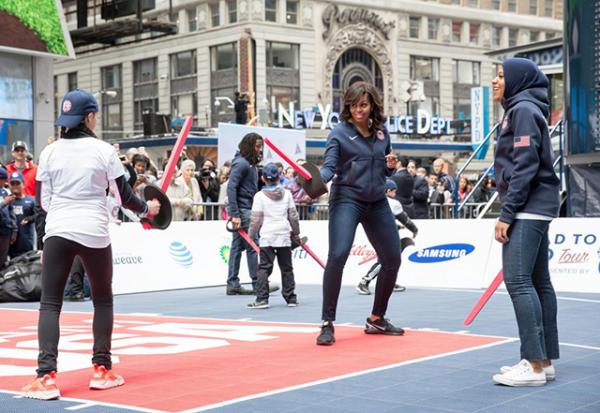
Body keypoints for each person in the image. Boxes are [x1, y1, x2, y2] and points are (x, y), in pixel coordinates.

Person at [21, 89, 161, 400]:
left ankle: (46, 377)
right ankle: (102, 370)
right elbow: (124, 196)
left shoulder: (49, 152)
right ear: (90, 117)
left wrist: (48, 236)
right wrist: (146, 210)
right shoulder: (103, 151)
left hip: (58, 230)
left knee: (50, 304)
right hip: (94, 232)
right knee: (102, 300)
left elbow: (43, 201)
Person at [490, 58, 560, 387]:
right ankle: (543, 361)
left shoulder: (523, 111)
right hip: (536, 205)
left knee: (518, 282)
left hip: (527, 207)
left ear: (517, 79)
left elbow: (525, 165)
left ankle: (532, 365)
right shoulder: (525, 109)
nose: (495, 80)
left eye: (501, 75)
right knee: (538, 282)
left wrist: (506, 213)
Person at [316, 81, 403, 346]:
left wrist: (390, 166)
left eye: (363, 105)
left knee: (393, 258)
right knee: (338, 254)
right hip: (347, 199)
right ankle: (326, 323)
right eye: (352, 105)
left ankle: (377, 318)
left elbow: (384, 167)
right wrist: (314, 180)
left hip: (376, 201)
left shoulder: (381, 133)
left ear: (373, 105)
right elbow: (329, 168)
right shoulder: (338, 134)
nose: (358, 110)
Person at [247, 163, 301, 309]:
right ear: (279, 177)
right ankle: (291, 298)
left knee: (264, 268)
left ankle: (262, 299)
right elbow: (293, 216)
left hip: (267, 236)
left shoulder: (259, 196)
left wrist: (250, 236)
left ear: (263, 179)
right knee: (287, 268)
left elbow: (256, 219)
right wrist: (296, 233)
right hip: (283, 235)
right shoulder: (288, 194)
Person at [356, 179, 417, 295]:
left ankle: (389, 282)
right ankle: (364, 281)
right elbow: (405, 219)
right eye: (394, 191)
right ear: (388, 191)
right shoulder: (394, 203)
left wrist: (397, 227)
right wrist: (414, 229)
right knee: (386, 260)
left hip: (377, 233)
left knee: (391, 260)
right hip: (385, 235)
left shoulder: (372, 201)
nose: (395, 194)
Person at [226, 133, 263, 295]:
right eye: (257, 146)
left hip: (245, 209)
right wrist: (235, 214)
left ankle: (233, 283)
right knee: (252, 246)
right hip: (243, 210)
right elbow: (231, 187)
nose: (260, 150)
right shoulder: (242, 164)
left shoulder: (248, 164)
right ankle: (257, 284)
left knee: (237, 247)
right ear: (249, 146)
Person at [8, 172, 35, 259]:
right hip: (9, 242)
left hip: (25, 241)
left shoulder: (31, 201)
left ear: (23, 184)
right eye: (12, 183)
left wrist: (29, 219)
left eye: (18, 183)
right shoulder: (5, 200)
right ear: (9, 185)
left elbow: (39, 215)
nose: (15, 185)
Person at [0, 167, 17, 268]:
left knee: (3, 261)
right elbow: (5, 204)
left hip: (5, 231)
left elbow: (11, 211)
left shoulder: (5, 192)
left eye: (4, 180)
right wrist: (3, 203)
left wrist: (14, 229)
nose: (2, 182)